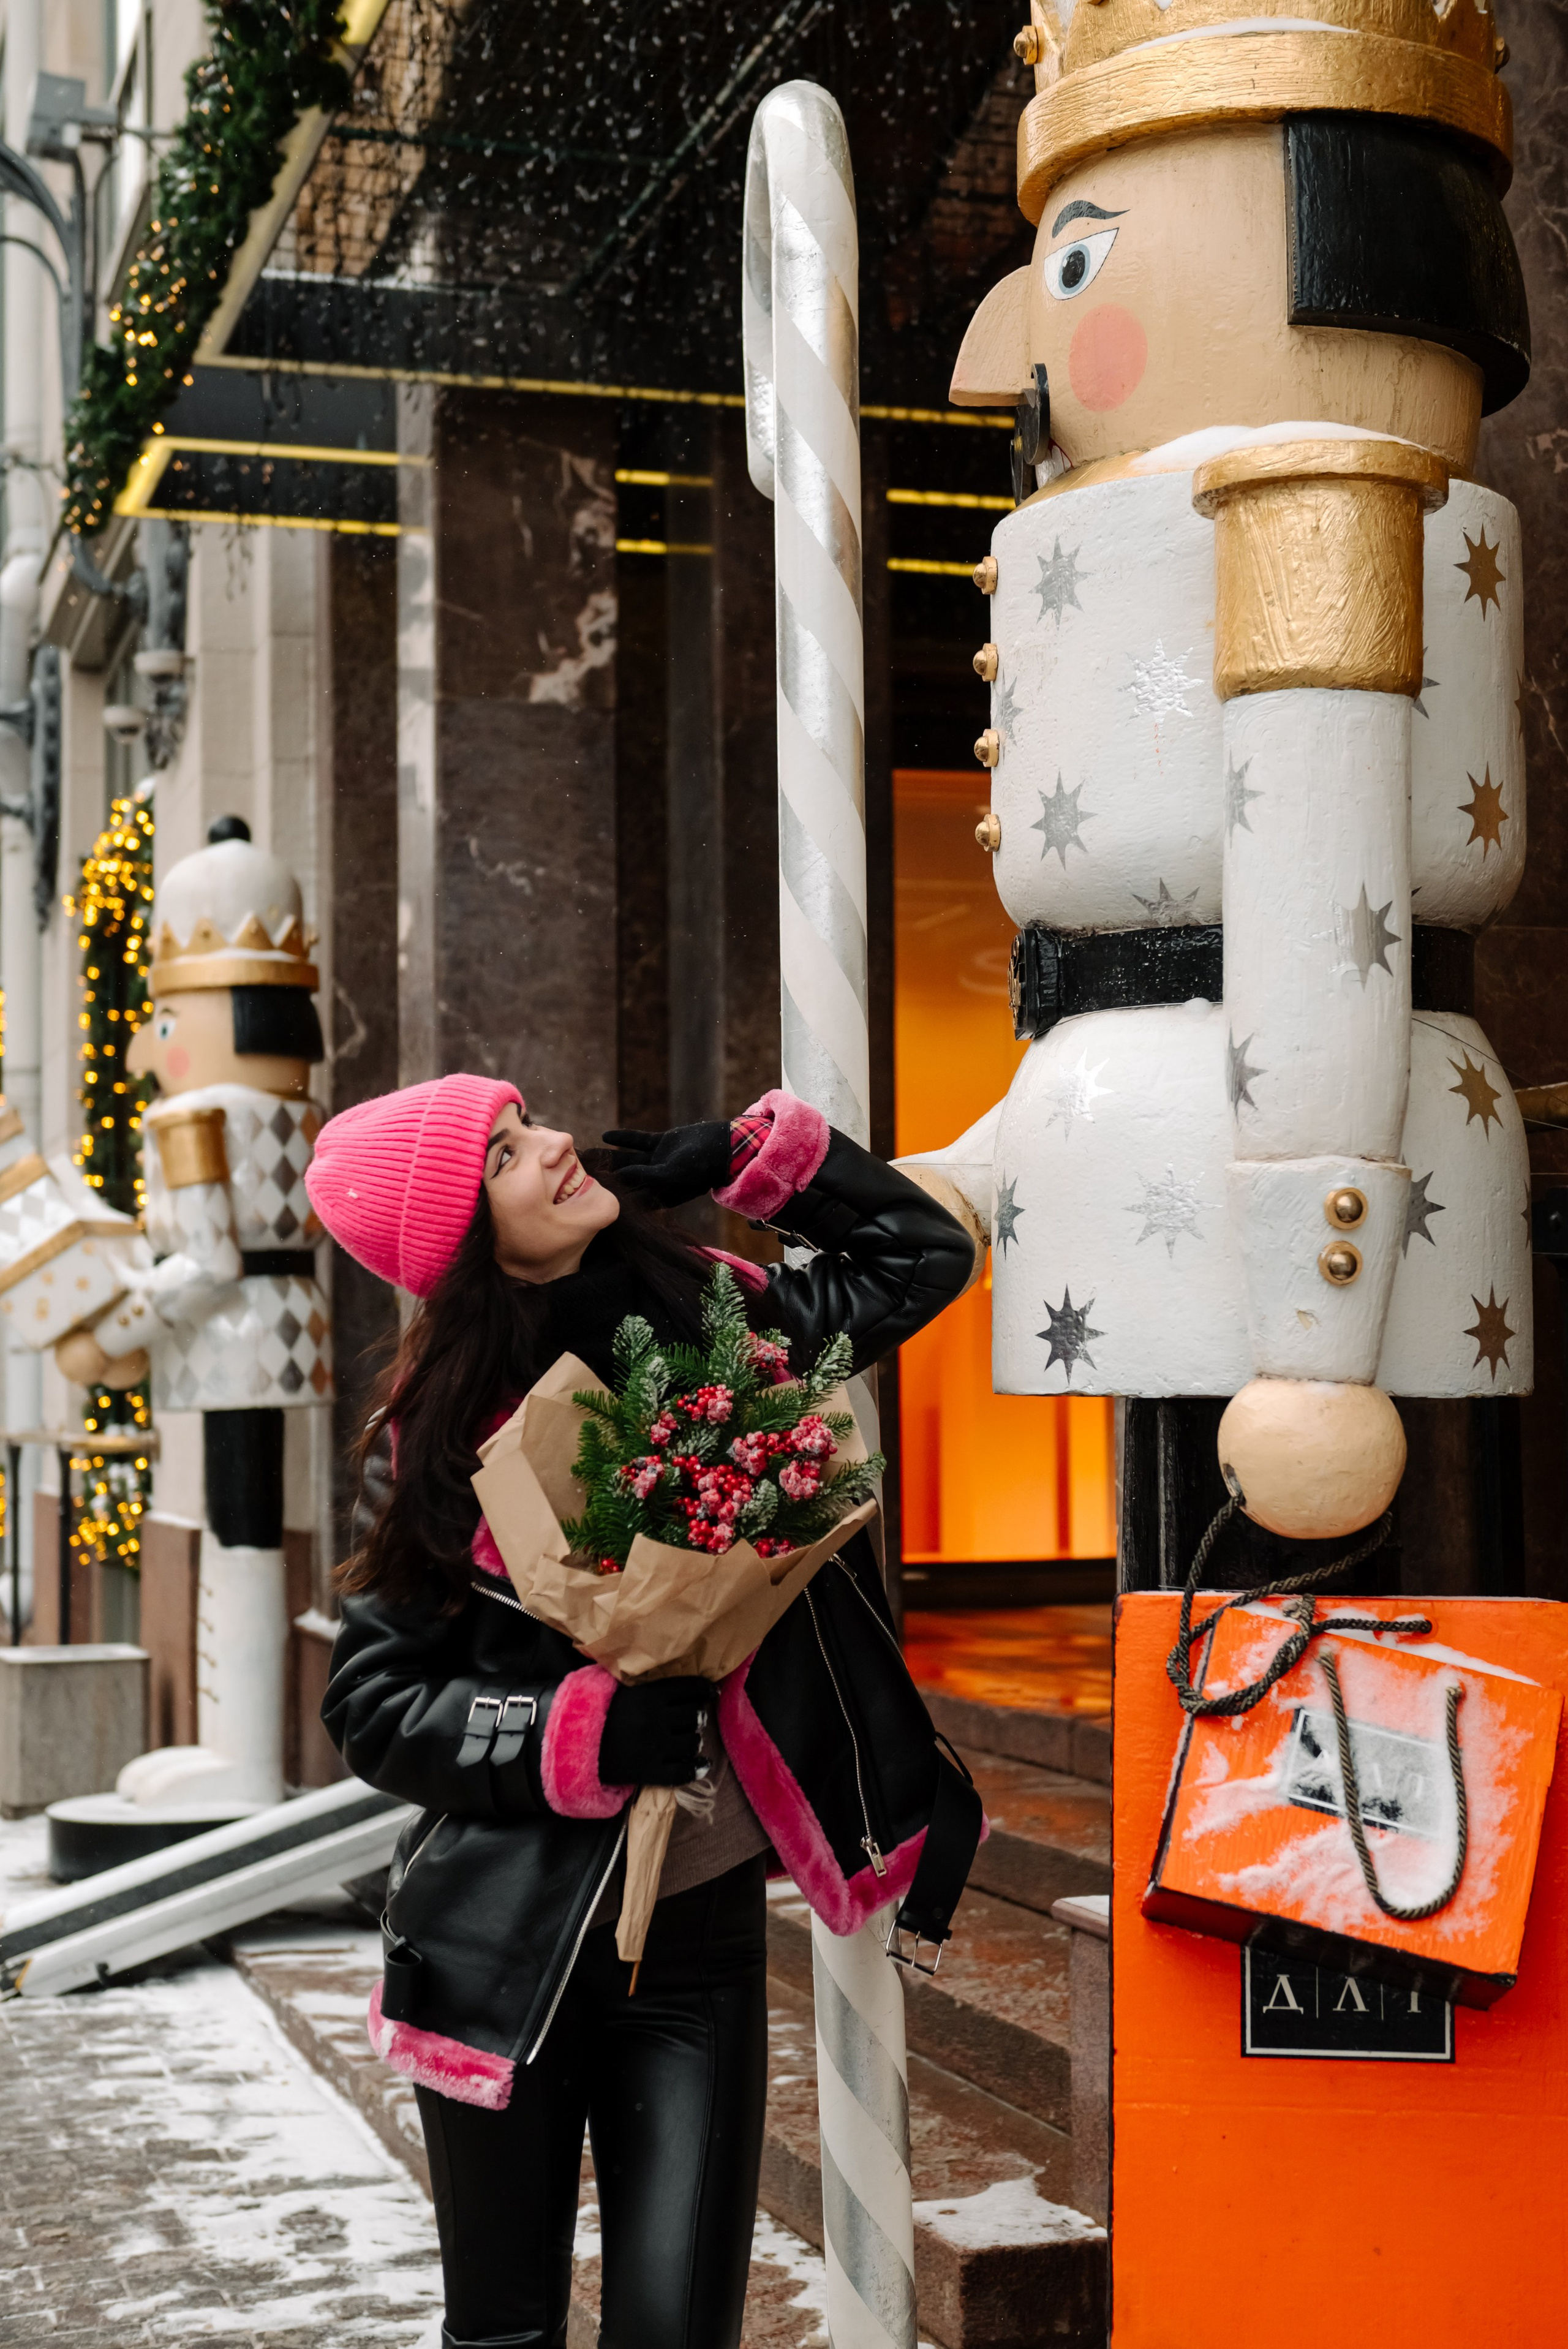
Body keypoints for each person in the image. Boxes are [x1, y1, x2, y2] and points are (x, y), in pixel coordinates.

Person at [307, 1077, 978, 2349]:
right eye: (504, 1154)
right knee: (504, 2331)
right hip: (503, 1945)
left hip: (696, 1950)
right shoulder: (438, 1441)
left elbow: (917, 1255)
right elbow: (376, 1703)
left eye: (529, 1119)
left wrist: (740, 1160)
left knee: (677, 2331)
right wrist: (581, 1734)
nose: (553, 1142)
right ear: (463, 1240)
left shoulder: (719, 1320)